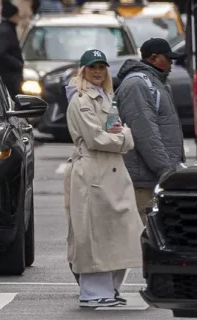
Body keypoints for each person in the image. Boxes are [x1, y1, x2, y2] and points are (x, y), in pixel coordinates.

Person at [64, 49, 142, 308]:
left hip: (112, 171)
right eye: (92, 67)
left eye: (101, 67)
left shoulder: (107, 96)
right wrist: (125, 139)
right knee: (94, 234)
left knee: (121, 232)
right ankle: (94, 292)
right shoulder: (81, 99)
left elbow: (113, 131)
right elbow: (95, 137)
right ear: (82, 70)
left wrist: (121, 137)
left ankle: (110, 288)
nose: (97, 71)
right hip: (93, 172)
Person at [115, 38, 185, 224]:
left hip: (152, 179)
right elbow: (145, 134)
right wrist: (166, 171)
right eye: (168, 58)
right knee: (144, 239)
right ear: (154, 58)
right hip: (143, 183)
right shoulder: (138, 84)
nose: (172, 63)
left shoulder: (154, 83)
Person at [0, 0, 24, 99]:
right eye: (17, 15)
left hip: (10, 74)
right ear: (12, 16)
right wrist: (18, 64)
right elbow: (1, 53)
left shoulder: (8, 28)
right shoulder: (5, 31)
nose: (19, 17)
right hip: (9, 76)